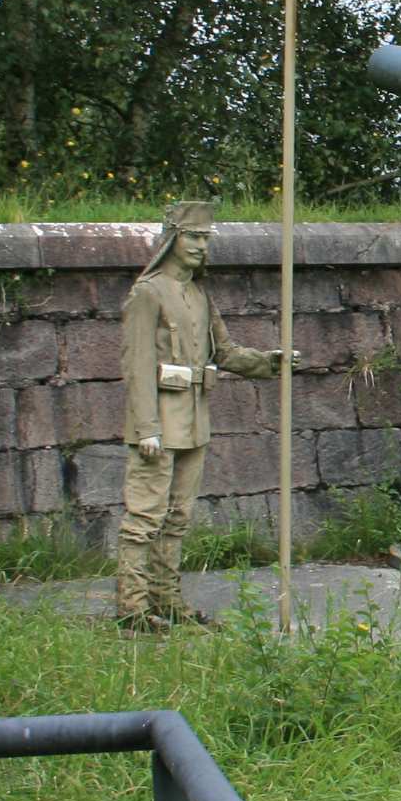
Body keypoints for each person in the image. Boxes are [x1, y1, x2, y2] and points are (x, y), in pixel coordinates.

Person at [116, 201, 288, 631]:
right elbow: (136, 366)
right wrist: (146, 428)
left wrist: (271, 362)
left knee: (177, 519)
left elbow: (225, 352)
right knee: (144, 519)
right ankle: (132, 608)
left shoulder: (197, 293)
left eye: (206, 238)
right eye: (193, 236)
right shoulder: (148, 293)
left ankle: (167, 601)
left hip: (194, 423)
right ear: (172, 238)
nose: (200, 245)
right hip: (158, 425)